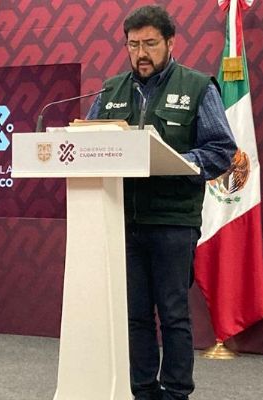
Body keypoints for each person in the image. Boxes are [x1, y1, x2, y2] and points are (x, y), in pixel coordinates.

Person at [86, 5, 237, 400]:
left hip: (173, 220)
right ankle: (142, 389)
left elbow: (221, 149)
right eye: (133, 45)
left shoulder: (197, 87)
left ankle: (175, 390)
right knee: (135, 314)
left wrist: (176, 161)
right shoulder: (110, 90)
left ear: (171, 43)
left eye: (150, 44)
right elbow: (86, 142)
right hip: (124, 219)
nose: (141, 53)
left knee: (172, 313)